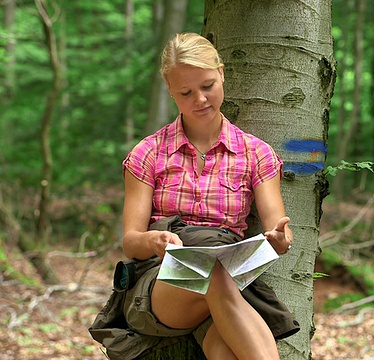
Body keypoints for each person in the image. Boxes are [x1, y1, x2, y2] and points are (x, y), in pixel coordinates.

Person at [121, 32, 293, 360]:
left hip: (230, 281)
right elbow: (130, 240)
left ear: (223, 74)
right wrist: (154, 240)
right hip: (161, 282)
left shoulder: (256, 153)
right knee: (210, 272)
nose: (200, 99)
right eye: (186, 92)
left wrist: (279, 240)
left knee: (227, 349)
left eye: (207, 86)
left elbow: (278, 228)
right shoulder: (148, 152)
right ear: (171, 91)